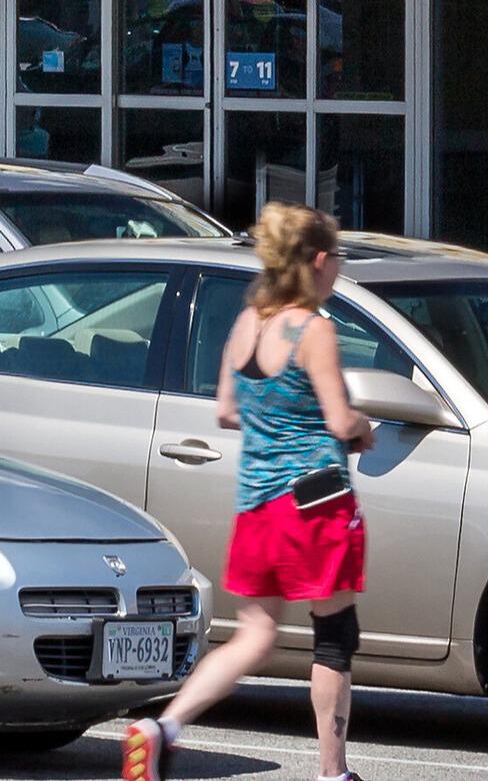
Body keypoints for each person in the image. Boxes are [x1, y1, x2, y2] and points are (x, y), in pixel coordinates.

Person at [127, 205, 364, 781]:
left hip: (256, 506)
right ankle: (332, 774)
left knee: (255, 636)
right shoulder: (314, 328)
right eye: (338, 260)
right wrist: (365, 428)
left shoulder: (246, 325)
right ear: (318, 261)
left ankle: (165, 727)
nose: (338, 270)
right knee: (335, 635)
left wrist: (273, 420)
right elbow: (338, 421)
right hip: (316, 501)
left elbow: (227, 411)